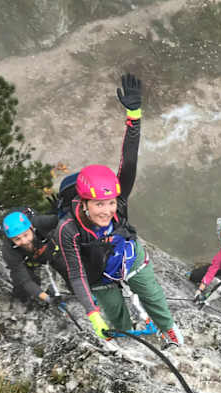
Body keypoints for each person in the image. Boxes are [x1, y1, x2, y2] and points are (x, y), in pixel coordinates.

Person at [57, 73, 185, 346]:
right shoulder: (68, 229)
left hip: (127, 255)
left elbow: (129, 160)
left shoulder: (119, 199)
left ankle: (167, 328)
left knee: (153, 296)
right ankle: (128, 340)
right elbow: (76, 274)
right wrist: (93, 315)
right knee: (115, 313)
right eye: (99, 204)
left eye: (110, 203)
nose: (106, 211)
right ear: (84, 203)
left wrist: (134, 116)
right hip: (96, 272)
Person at [0, 208, 69, 305]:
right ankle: (28, 301)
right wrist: (48, 299)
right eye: (17, 239)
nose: (24, 241)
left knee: (65, 266)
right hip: (28, 260)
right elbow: (25, 280)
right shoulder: (8, 250)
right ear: (10, 239)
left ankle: (74, 289)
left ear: (31, 227)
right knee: (22, 288)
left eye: (26, 235)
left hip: (48, 250)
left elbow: (65, 220)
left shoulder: (41, 222)